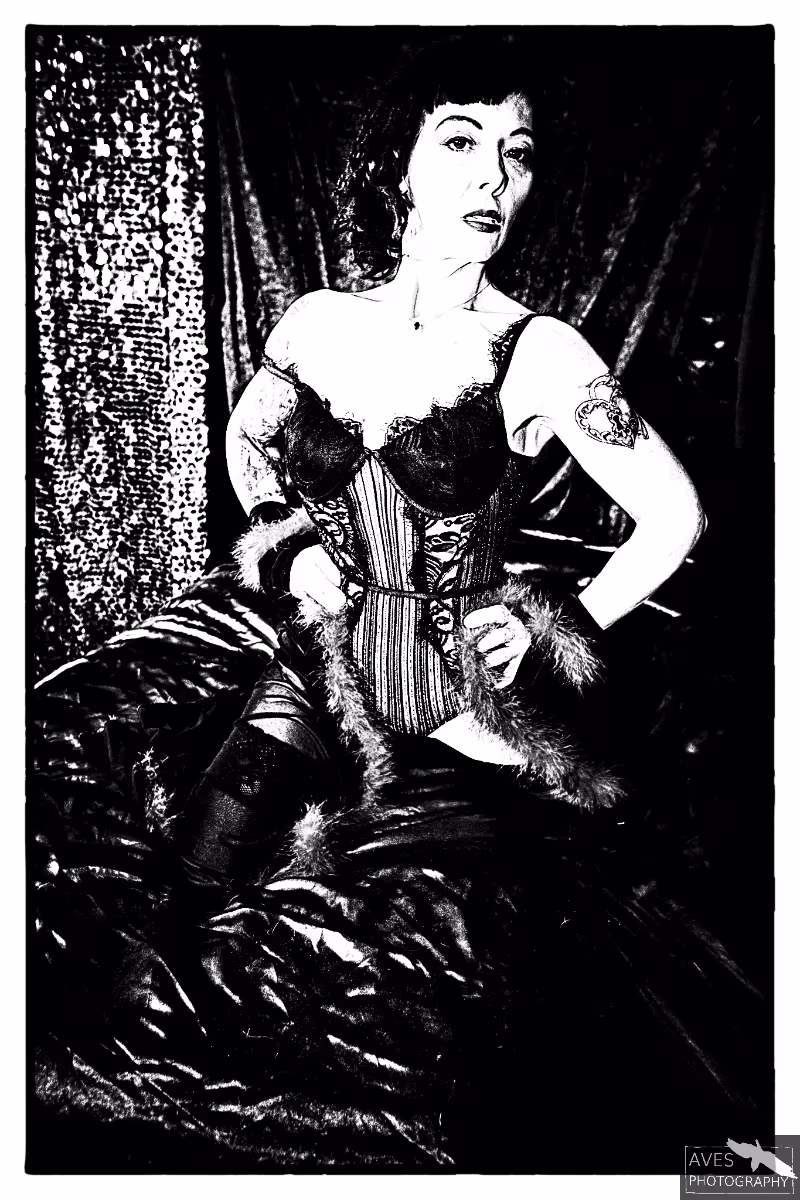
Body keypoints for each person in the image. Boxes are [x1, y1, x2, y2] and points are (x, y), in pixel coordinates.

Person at [33, 38, 769, 1173]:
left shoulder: (540, 351)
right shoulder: (317, 324)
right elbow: (247, 440)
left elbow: (676, 517)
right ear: (401, 169)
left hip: (464, 717)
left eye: (517, 155)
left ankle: (728, 1180)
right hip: (320, 676)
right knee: (161, 939)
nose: (494, 178)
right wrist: (284, 542)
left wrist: (550, 620)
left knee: (452, 1031)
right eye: (462, 143)